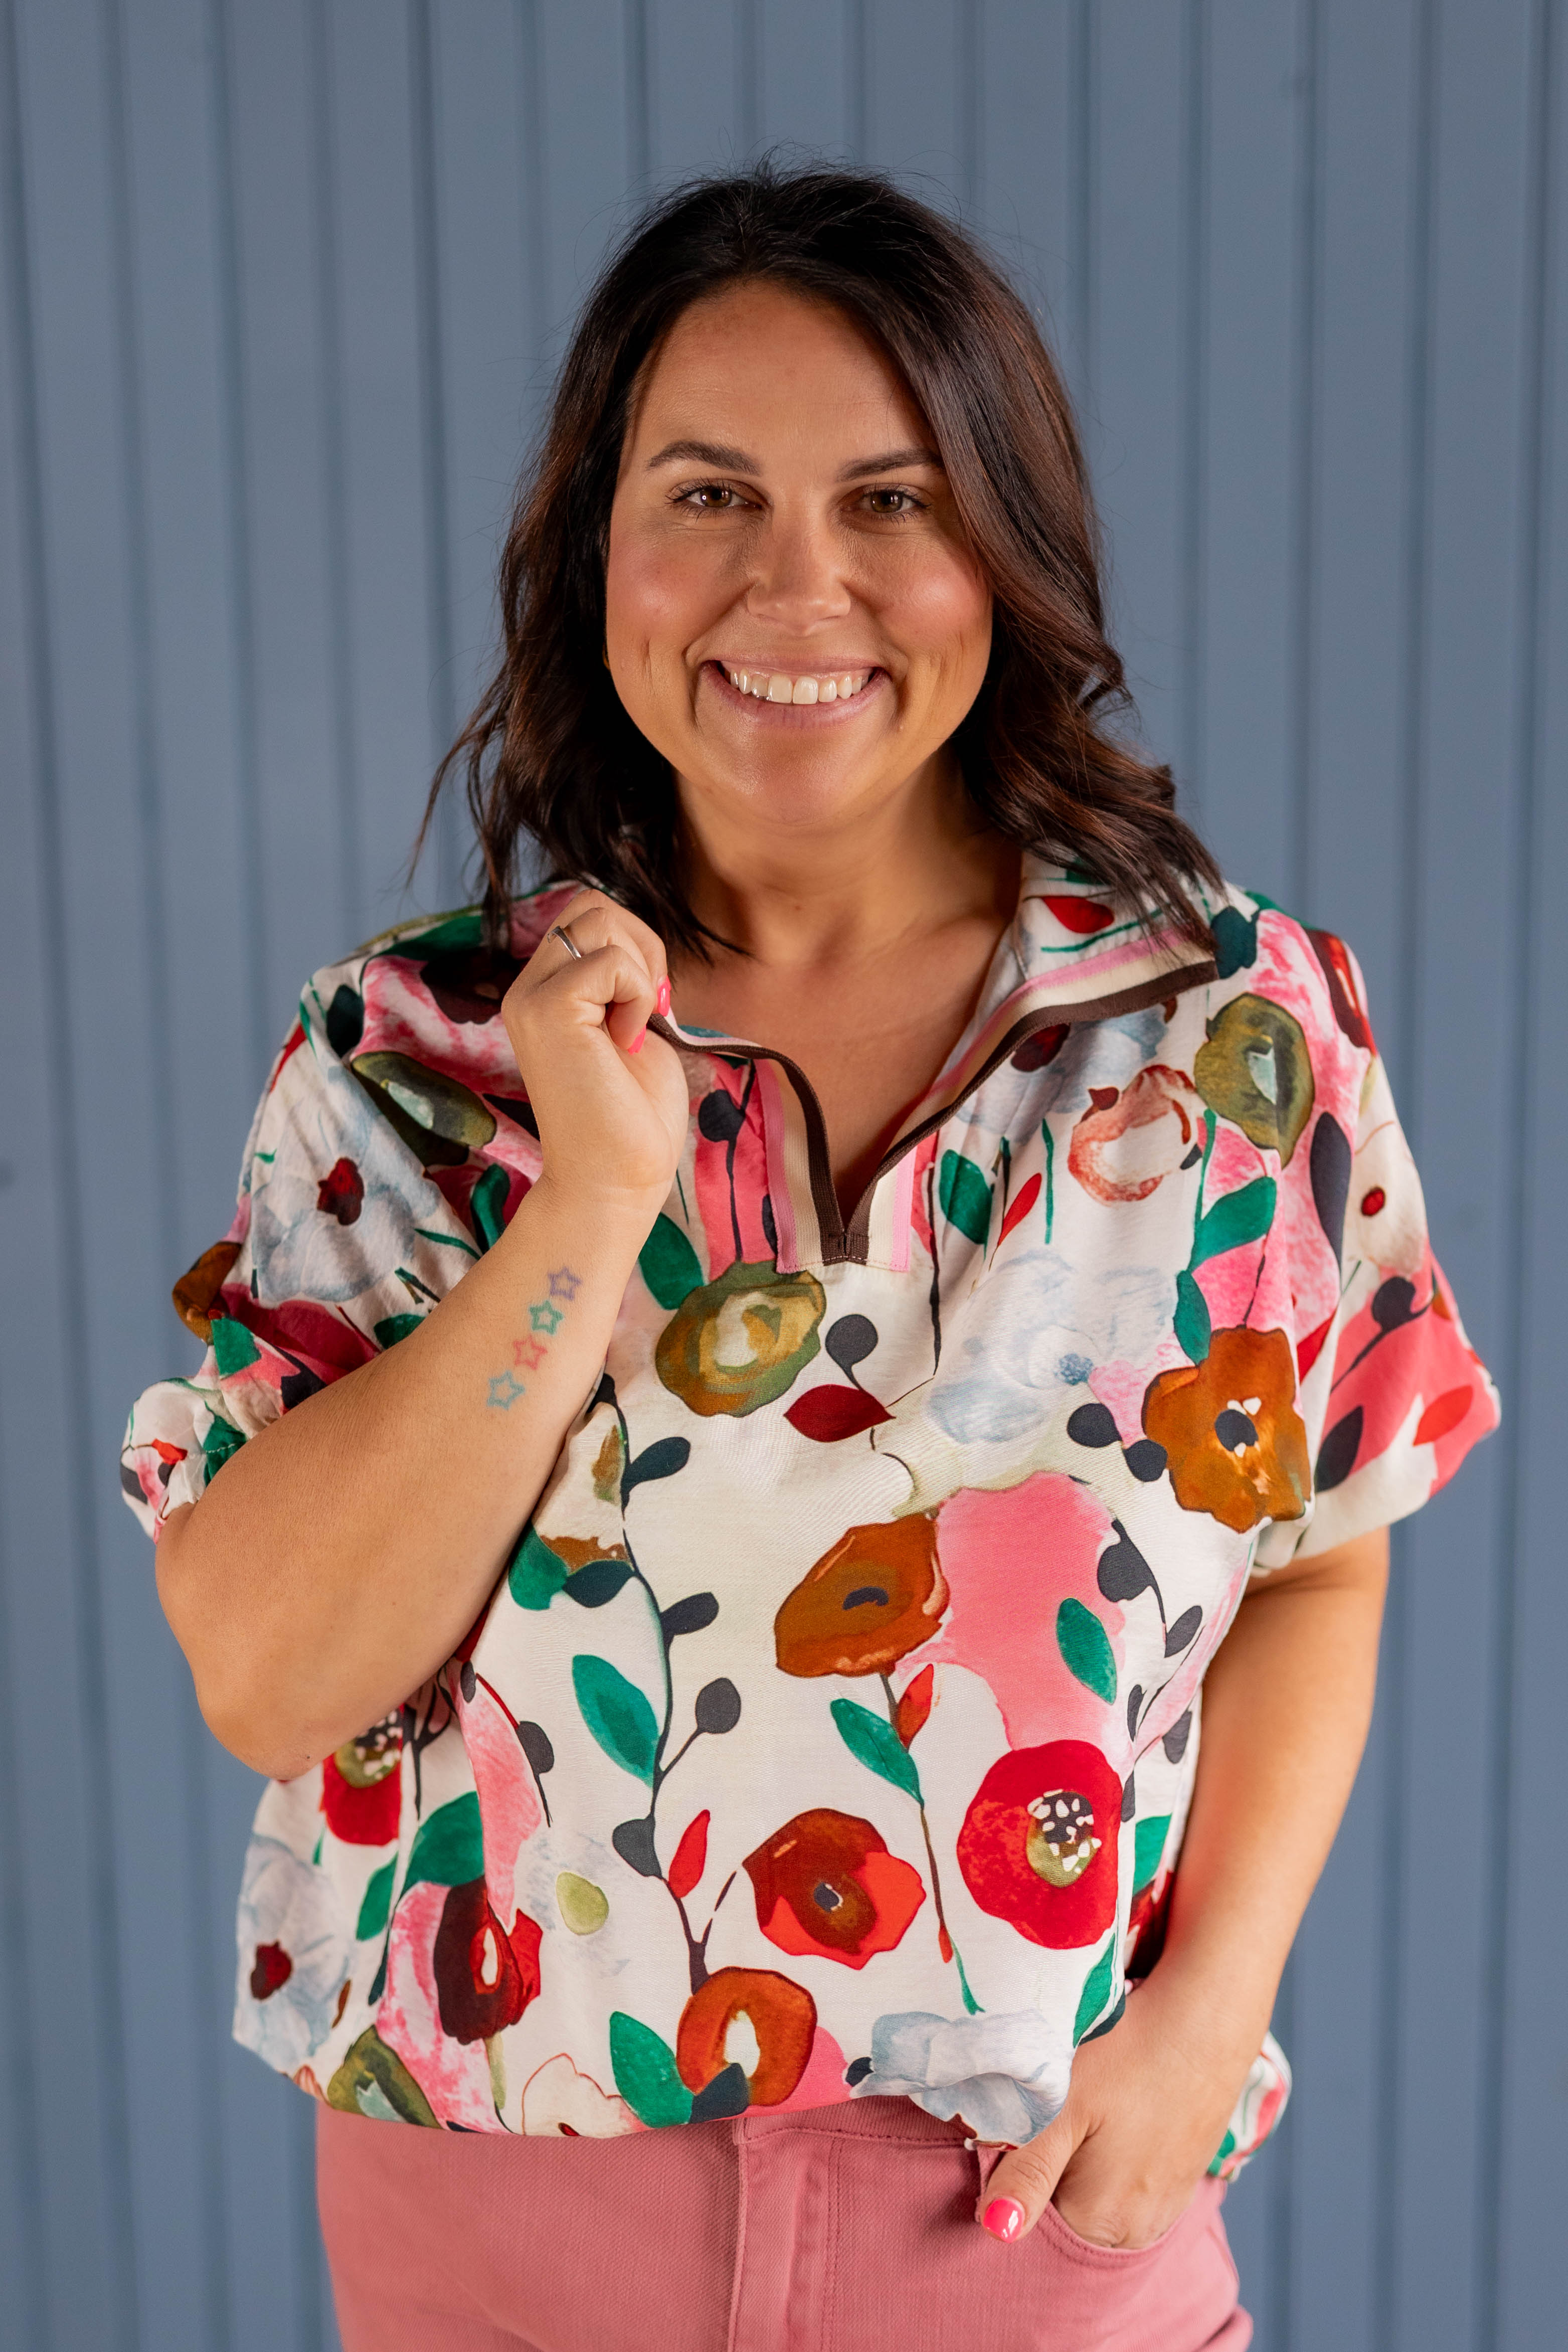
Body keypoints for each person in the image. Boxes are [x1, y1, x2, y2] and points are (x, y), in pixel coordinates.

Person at [123, 164, 1497, 2352]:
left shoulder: (1233, 1044)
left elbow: (1319, 1561)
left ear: (999, 551)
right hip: (503, 2247)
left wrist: (1209, 2009)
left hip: (1033, 2237)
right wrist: (584, 1206)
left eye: (889, 499)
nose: (798, 586)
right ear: (598, 549)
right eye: (709, 495)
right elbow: (271, 1677)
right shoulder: (405, 1063)